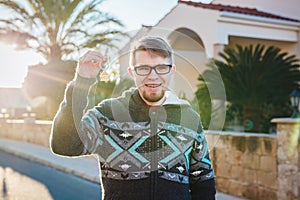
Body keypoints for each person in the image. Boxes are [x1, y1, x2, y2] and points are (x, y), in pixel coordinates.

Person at [50, 36, 216, 200]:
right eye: (143, 68)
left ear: (171, 70)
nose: (153, 76)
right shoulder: (108, 114)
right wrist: (82, 82)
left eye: (161, 68)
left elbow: (203, 182)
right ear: (132, 72)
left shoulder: (190, 119)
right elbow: (64, 145)